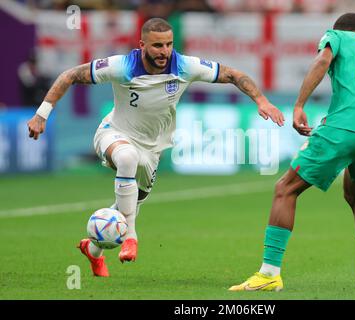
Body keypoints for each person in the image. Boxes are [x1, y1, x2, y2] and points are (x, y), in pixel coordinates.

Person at [27, 17, 285, 277]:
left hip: (152, 149)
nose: (165, 52)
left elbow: (233, 74)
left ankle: (93, 249)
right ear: (142, 45)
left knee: (133, 198)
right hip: (114, 133)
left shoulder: (184, 65)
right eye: (157, 46)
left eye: (169, 44)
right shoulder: (122, 66)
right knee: (127, 158)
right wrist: (41, 115)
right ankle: (131, 237)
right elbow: (69, 75)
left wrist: (261, 101)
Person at [229, 13, 355, 291]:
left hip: (344, 127)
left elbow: (322, 61)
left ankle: (268, 273)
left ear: (341, 31)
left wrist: (299, 105)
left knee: (285, 188)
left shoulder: (336, 37)